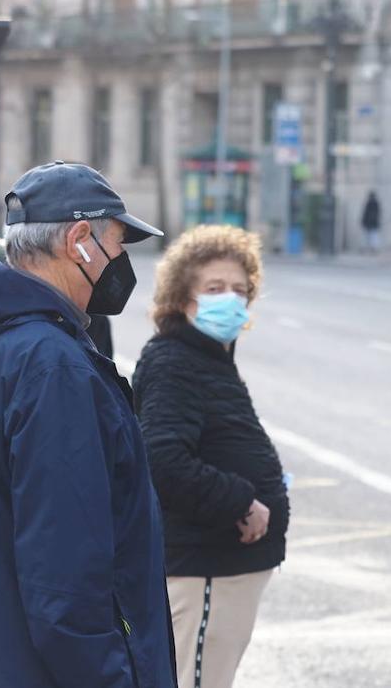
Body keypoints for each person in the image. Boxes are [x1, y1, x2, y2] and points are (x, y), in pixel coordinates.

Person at [0, 161, 175, 688]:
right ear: (80, 239)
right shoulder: (52, 365)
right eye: (117, 245)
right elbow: (65, 577)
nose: (120, 264)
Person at [131, 225, 289, 688]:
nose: (231, 300)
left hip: (220, 571)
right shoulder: (175, 361)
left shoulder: (207, 359)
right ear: (182, 298)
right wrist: (241, 501)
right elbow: (162, 459)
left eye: (240, 290)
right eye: (214, 289)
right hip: (203, 570)